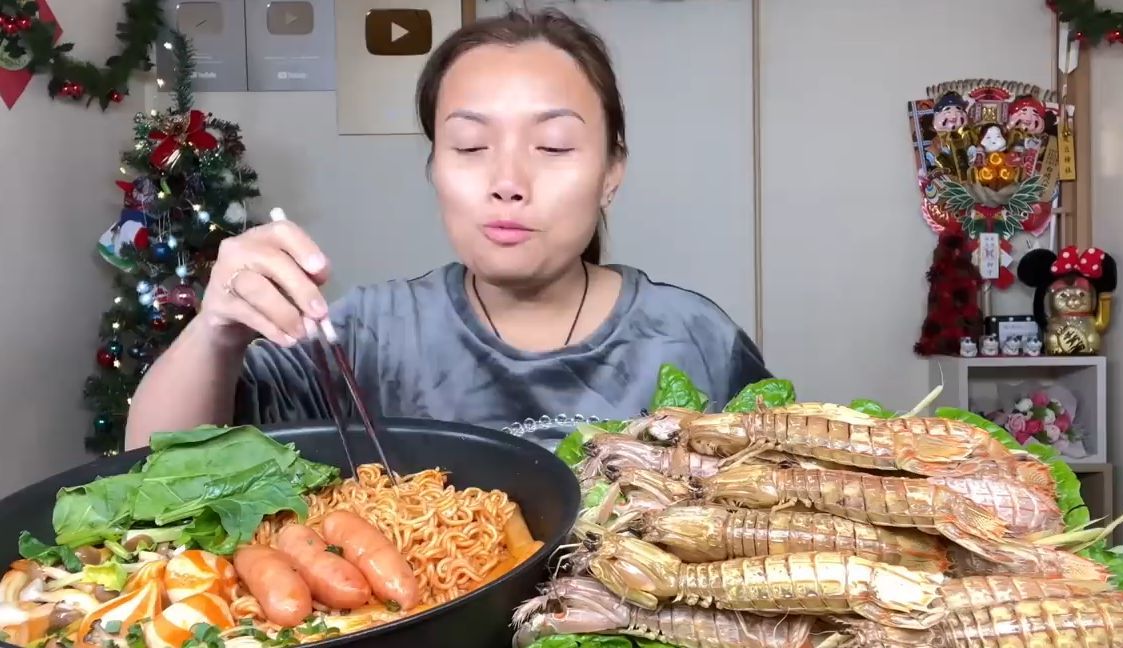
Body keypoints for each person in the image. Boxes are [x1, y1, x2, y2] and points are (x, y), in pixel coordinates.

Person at [124, 7, 770, 450]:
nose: (508, 180)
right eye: (470, 146)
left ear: (611, 172)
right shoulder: (365, 336)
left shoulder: (693, 340)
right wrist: (215, 332)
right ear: (435, 167)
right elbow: (157, 464)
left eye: (552, 146)